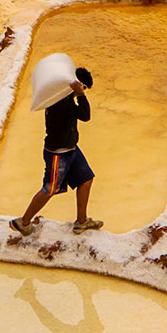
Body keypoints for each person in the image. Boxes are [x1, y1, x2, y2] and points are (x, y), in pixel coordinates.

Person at [10, 67, 102, 236]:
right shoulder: (62, 101)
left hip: (71, 148)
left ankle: (81, 222)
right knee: (50, 188)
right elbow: (85, 114)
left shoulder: (60, 96)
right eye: (83, 87)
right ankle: (23, 222)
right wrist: (80, 94)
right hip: (59, 154)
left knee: (87, 178)